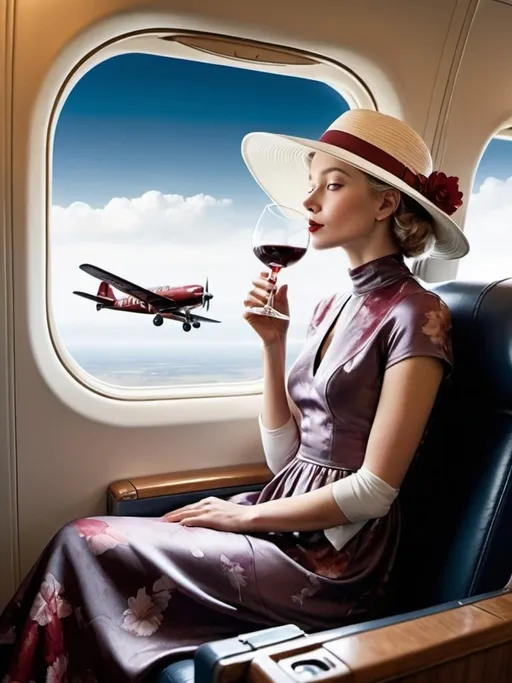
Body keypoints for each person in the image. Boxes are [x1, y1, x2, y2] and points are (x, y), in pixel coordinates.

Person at [0, 109, 468, 682]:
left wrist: (241, 520)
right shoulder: (329, 307)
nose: (310, 202)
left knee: (86, 541)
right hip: (283, 515)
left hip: (336, 558)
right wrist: (272, 347)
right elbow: (287, 460)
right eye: (311, 184)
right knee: (82, 542)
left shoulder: (419, 313)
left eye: (333, 184)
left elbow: (374, 491)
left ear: (385, 204)